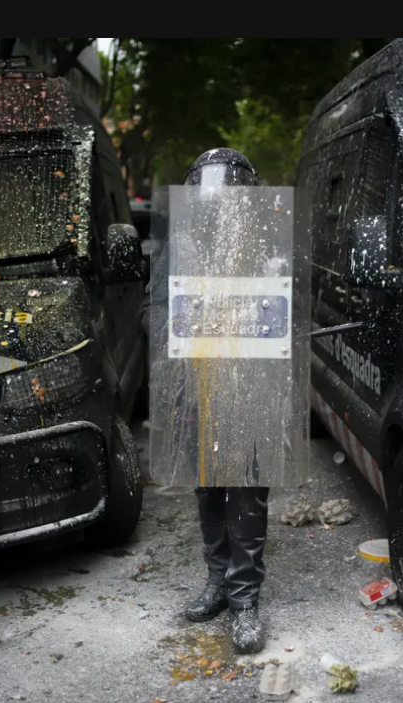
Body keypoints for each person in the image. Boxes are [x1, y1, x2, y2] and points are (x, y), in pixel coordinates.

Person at [143, 149, 272, 654]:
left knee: (245, 491)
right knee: (207, 487)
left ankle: (244, 600)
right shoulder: (181, 246)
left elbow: (286, 304)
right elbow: (155, 307)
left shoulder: (263, 247)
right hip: (194, 382)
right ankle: (218, 582)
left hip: (248, 383)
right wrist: (177, 349)